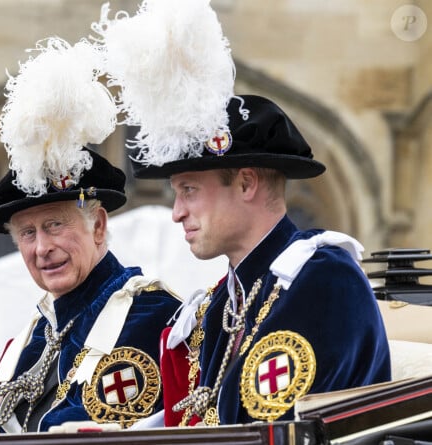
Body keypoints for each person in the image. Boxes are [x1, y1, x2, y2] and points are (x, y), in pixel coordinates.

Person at [130, 94, 392, 426]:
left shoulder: (324, 279)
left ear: (246, 183)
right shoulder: (221, 304)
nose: (178, 212)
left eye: (189, 190)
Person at [0, 37, 180, 433]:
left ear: (98, 226)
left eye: (54, 225)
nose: (42, 248)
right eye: (28, 233)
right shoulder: (35, 335)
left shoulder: (152, 315)